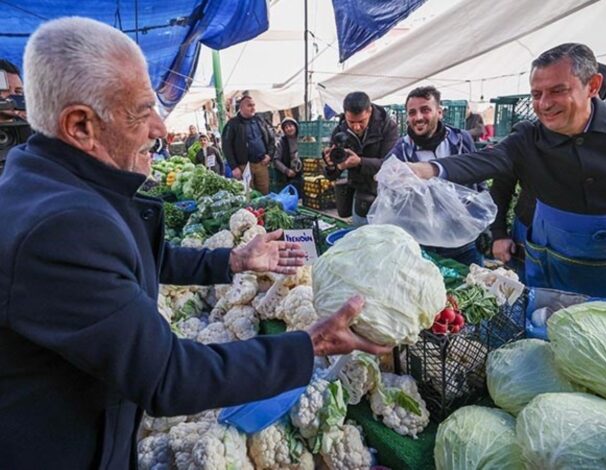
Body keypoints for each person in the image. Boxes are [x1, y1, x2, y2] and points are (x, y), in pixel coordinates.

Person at [0, 17, 390, 468]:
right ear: (80, 126)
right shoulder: (59, 228)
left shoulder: (51, 184)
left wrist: (234, 259)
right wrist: (310, 344)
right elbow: (168, 376)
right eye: (142, 110)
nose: (161, 128)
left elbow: (143, 258)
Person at [408, 43, 606, 315]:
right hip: (554, 268)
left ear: (593, 85)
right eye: (536, 94)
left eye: (557, 91)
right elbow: (490, 161)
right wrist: (426, 170)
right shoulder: (529, 136)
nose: (544, 104)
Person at [490, 61, 606, 278]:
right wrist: (498, 233)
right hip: (531, 235)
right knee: (533, 297)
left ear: (594, 90)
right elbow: (502, 185)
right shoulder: (533, 138)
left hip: (602, 246)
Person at [389, 85, 484, 266]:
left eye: (425, 110)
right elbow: (388, 189)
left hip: (464, 241)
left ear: (439, 112)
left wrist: (483, 225)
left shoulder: (462, 140)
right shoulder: (401, 150)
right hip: (425, 243)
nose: (418, 118)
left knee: (473, 287)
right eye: (412, 112)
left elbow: (478, 182)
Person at [323, 91, 398, 226]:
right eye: (351, 122)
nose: (356, 127)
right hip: (361, 196)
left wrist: (360, 162)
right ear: (345, 114)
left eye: (361, 121)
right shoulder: (340, 131)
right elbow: (332, 174)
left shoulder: (387, 127)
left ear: (369, 111)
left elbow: (391, 164)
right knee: (361, 237)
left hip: (386, 194)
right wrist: (331, 166)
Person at [222, 95, 275, 195]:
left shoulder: (260, 121)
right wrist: (234, 167)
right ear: (241, 107)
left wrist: (269, 155)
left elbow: (271, 139)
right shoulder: (232, 124)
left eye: (254, 105)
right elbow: (226, 146)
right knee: (248, 195)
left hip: (261, 164)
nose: (253, 108)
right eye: (249, 105)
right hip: (244, 167)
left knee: (265, 193)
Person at [273, 117, 303, 195]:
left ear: (295, 126)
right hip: (288, 175)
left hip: (303, 173)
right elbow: (276, 160)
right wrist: (286, 170)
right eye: (286, 127)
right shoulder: (281, 142)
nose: (289, 129)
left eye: (290, 126)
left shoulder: (303, 139)